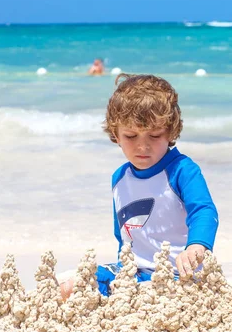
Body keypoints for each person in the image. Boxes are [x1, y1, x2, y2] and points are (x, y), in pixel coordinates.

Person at [60, 74, 219, 298]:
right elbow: (123, 235)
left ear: (171, 132)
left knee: (152, 295)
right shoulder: (120, 178)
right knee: (71, 285)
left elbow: (203, 211)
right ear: (116, 134)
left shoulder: (182, 170)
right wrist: (122, 274)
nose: (142, 146)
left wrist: (197, 246)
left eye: (154, 135)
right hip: (133, 272)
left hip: (177, 274)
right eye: (131, 136)